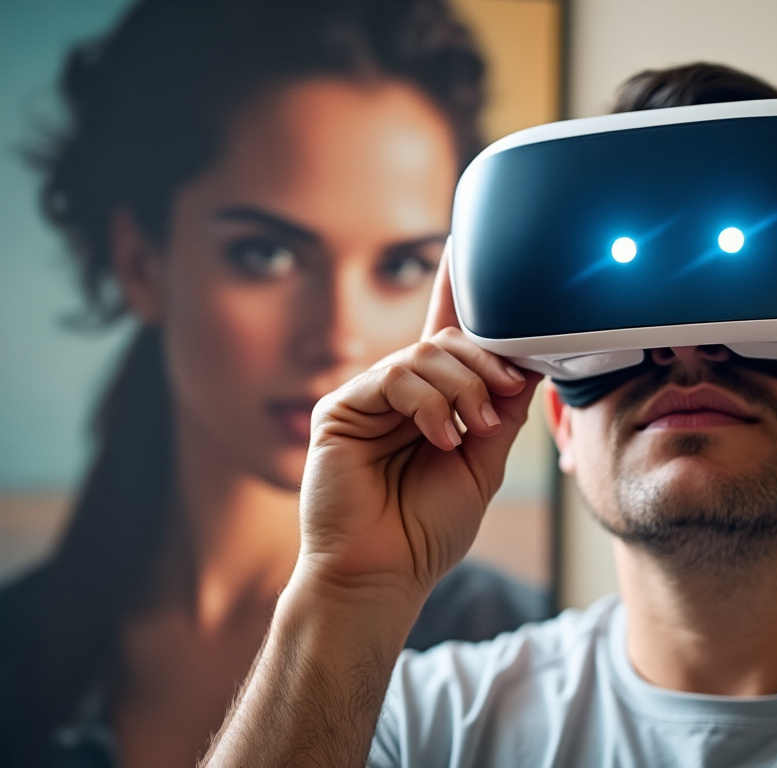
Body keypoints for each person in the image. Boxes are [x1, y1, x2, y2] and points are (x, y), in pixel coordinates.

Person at [199, 63, 777, 767]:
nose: (685, 353)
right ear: (557, 422)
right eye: (622, 336)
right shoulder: (424, 726)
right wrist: (347, 588)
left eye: (758, 322)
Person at [0, 1, 552, 766]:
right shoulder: (17, 656)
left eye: (400, 267)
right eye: (267, 255)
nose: (336, 336)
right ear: (140, 263)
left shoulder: (520, 657)